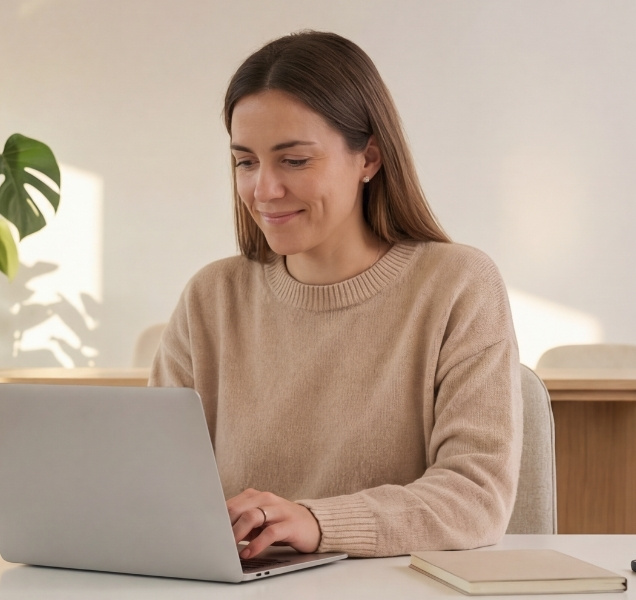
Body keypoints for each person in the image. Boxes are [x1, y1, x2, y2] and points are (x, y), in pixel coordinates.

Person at [148, 30, 522, 559]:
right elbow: (154, 484)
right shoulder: (211, 297)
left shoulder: (458, 285)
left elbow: (475, 497)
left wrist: (316, 522)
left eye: (294, 161)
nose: (263, 190)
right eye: (246, 162)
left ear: (368, 158)